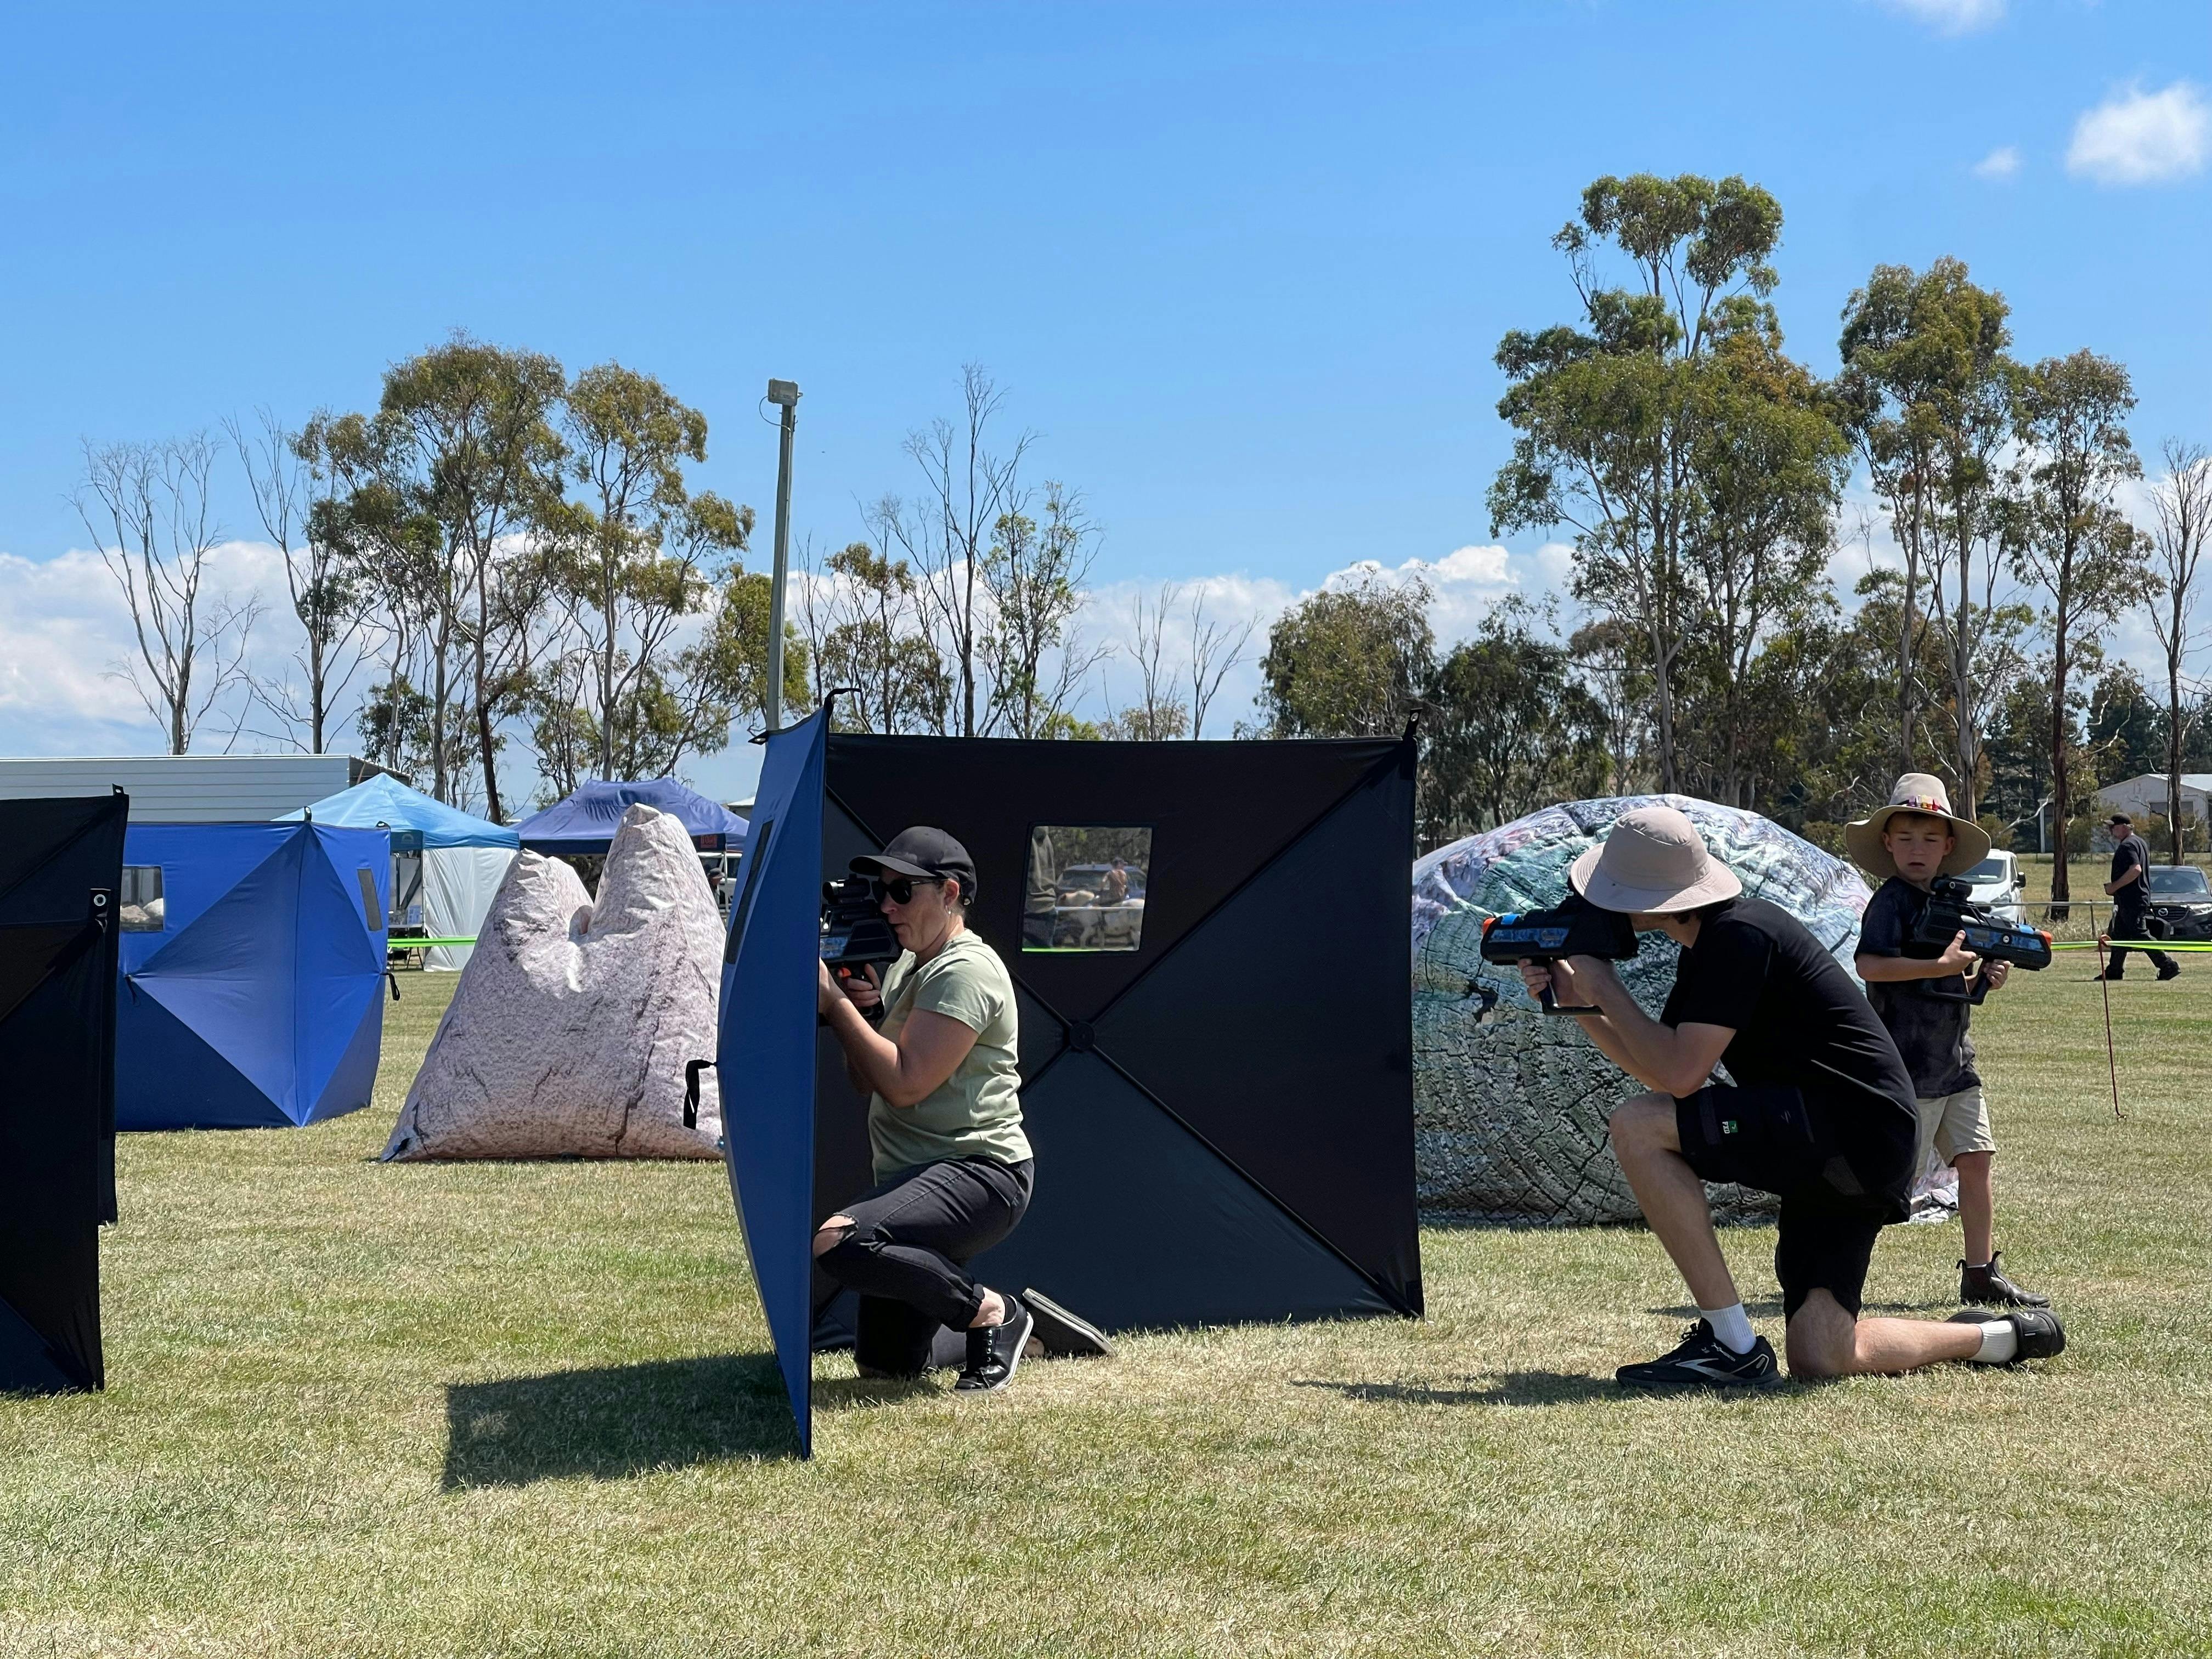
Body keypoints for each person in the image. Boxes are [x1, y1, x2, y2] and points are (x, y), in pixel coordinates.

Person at [1514, 805, 2063, 1388]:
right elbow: (1661, 1069)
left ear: (1647, 897)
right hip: (1858, 1140)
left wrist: (1603, 984)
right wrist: (1584, 1006)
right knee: (1822, 1353)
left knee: (1637, 1125)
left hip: (1843, 1130)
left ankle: (1732, 1345)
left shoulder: (1738, 936)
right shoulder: (1712, 946)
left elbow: (1678, 1078)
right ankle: (2002, 1336)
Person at [813, 827, 1036, 1392]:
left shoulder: (965, 971)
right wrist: (861, 1016)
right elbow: (866, 1081)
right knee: (886, 1367)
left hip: (980, 1176)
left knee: (842, 1241)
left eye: (903, 892)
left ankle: (995, 1312)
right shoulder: (906, 967)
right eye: (883, 891)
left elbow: (906, 1085)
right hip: (918, 1177)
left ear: (950, 893)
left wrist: (837, 1006)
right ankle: (1032, 1326)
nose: (887, 905)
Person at [1846, 775, 2048, 1309]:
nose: (1918, 849)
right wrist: (1939, 965)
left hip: (1955, 1064)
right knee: (1882, 1185)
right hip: (1905, 1070)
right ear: (1888, 843)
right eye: (1906, 838)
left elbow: (1952, 985)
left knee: (1976, 1163)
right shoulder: (1889, 902)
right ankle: (1828, 1275)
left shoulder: (1949, 901)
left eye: (1930, 839)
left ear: (1948, 846)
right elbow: (1869, 965)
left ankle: (1980, 1276)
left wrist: (1983, 977)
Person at [2098, 812, 2180, 982]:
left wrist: (2114, 887)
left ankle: (2167, 965)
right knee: (2120, 934)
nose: (2111, 830)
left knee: (2140, 933)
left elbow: (2136, 870)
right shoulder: (2140, 843)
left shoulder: (2127, 846)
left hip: (2132, 899)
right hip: (2133, 898)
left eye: (2113, 827)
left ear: (2123, 827)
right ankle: (2114, 970)